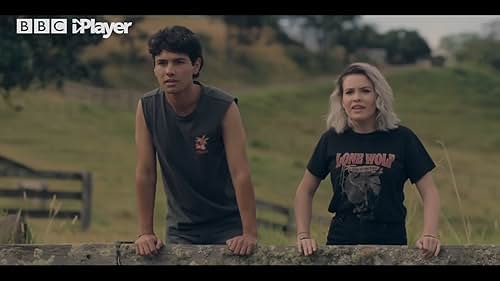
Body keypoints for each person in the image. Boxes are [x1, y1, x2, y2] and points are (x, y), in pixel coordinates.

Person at [294, 62, 441, 258]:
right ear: (341, 100)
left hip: (392, 246)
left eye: (365, 91)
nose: (356, 98)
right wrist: (303, 235)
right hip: (340, 246)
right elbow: (305, 190)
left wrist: (429, 233)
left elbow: (429, 191)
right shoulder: (331, 139)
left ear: (378, 95)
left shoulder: (403, 138)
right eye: (349, 92)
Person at [134, 25, 257, 256]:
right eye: (162, 63)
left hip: (228, 226)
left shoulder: (224, 107)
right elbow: (146, 173)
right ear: (154, 68)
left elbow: (240, 172)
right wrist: (145, 232)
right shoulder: (147, 107)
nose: (169, 71)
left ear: (196, 65)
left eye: (178, 62)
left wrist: (249, 233)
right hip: (181, 228)